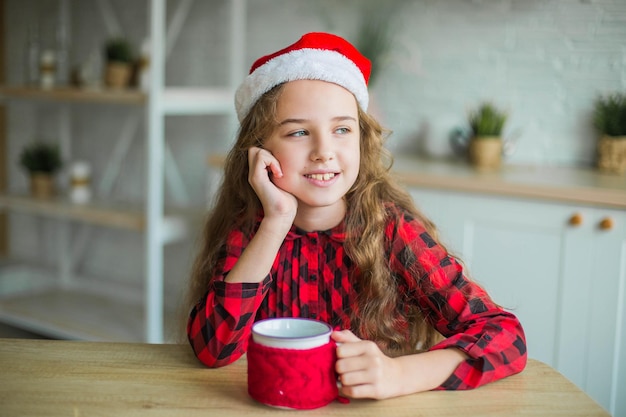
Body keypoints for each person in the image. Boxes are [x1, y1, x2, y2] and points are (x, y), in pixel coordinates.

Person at [185, 32, 527, 400]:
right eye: (299, 132)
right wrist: (276, 221)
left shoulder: (392, 230)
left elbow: (505, 336)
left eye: (342, 129)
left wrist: (399, 374)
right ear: (259, 151)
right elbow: (213, 349)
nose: (323, 152)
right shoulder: (252, 230)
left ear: (362, 140)